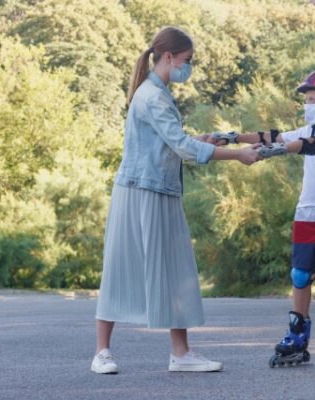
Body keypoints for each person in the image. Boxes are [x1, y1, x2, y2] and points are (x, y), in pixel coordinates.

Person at [92, 26, 261, 374]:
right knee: (121, 267)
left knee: (175, 267)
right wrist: (238, 155)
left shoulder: (158, 93)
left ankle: (180, 354)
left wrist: (202, 140)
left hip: (160, 190)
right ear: (168, 57)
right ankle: (102, 353)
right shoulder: (152, 96)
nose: (189, 67)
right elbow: (181, 148)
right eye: (187, 60)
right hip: (139, 191)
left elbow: (172, 141)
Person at [212, 69, 315, 372]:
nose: (307, 105)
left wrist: (277, 150)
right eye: (306, 100)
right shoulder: (306, 128)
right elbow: (270, 136)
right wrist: (230, 137)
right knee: (300, 276)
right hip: (306, 213)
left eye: (312, 99)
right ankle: (297, 337)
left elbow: (309, 145)